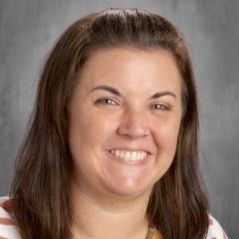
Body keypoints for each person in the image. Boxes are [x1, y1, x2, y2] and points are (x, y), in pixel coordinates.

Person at [0, 8, 228, 239]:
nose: (135, 128)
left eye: (159, 105)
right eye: (109, 101)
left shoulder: (206, 234)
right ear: (62, 112)